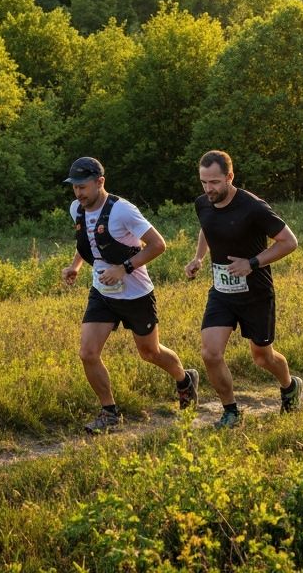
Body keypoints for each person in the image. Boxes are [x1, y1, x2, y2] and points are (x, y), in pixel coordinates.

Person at [61, 156, 198, 432]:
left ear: (100, 182)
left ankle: (184, 380)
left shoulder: (123, 211)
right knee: (88, 352)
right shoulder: (77, 208)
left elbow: (158, 245)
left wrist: (123, 268)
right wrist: (75, 266)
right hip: (102, 291)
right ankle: (109, 412)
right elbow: (87, 240)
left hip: (135, 292)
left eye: (83, 186)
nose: (78, 193)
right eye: (74, 187)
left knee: (149, 352)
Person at [184, 150, 302, 428]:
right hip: (222, 293)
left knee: (263, 357)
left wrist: (253, 262)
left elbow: (289, 242)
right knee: (210, 353)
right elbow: (207, 228)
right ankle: (231, 412)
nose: (208, 189)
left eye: (214, 182)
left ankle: (289, 385)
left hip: (256, 293)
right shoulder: (203, 204)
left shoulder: (253, 207)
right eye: (203, 182)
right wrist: (198, 258)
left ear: (230, 177)